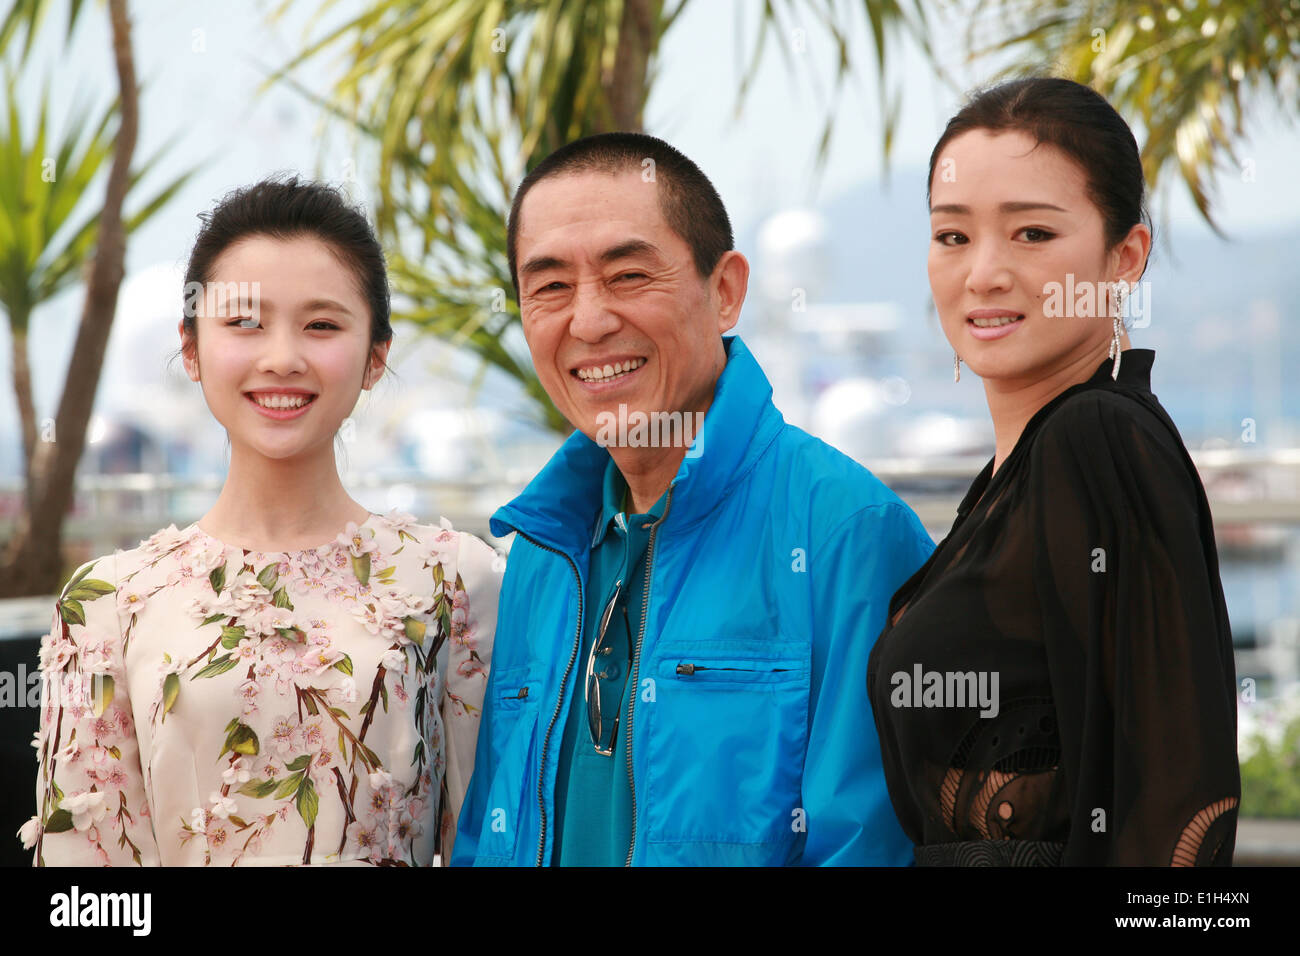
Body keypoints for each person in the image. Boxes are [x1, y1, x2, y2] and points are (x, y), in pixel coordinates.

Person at [451, 132, 934, 867]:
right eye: (549, 286)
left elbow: (868, 849)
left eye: (628, 274)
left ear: (727, 291)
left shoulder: (847, 533)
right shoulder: (542, 551)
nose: (587, 321)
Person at [21, 176, 499, 866]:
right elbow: (87, 883)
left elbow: (489, 841)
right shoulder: (107, 602)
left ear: (375, 357)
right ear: (191, 348)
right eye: (244, 322)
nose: (282, 357)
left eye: (323, 325)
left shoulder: (454, 578)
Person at [867, 77, 1240, 865]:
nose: (985, 274)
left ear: (1125, 254)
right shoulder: (1015, 474)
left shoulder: (1096, 438)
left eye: (1033, 234)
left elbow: (1174, 815)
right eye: (952, 236)